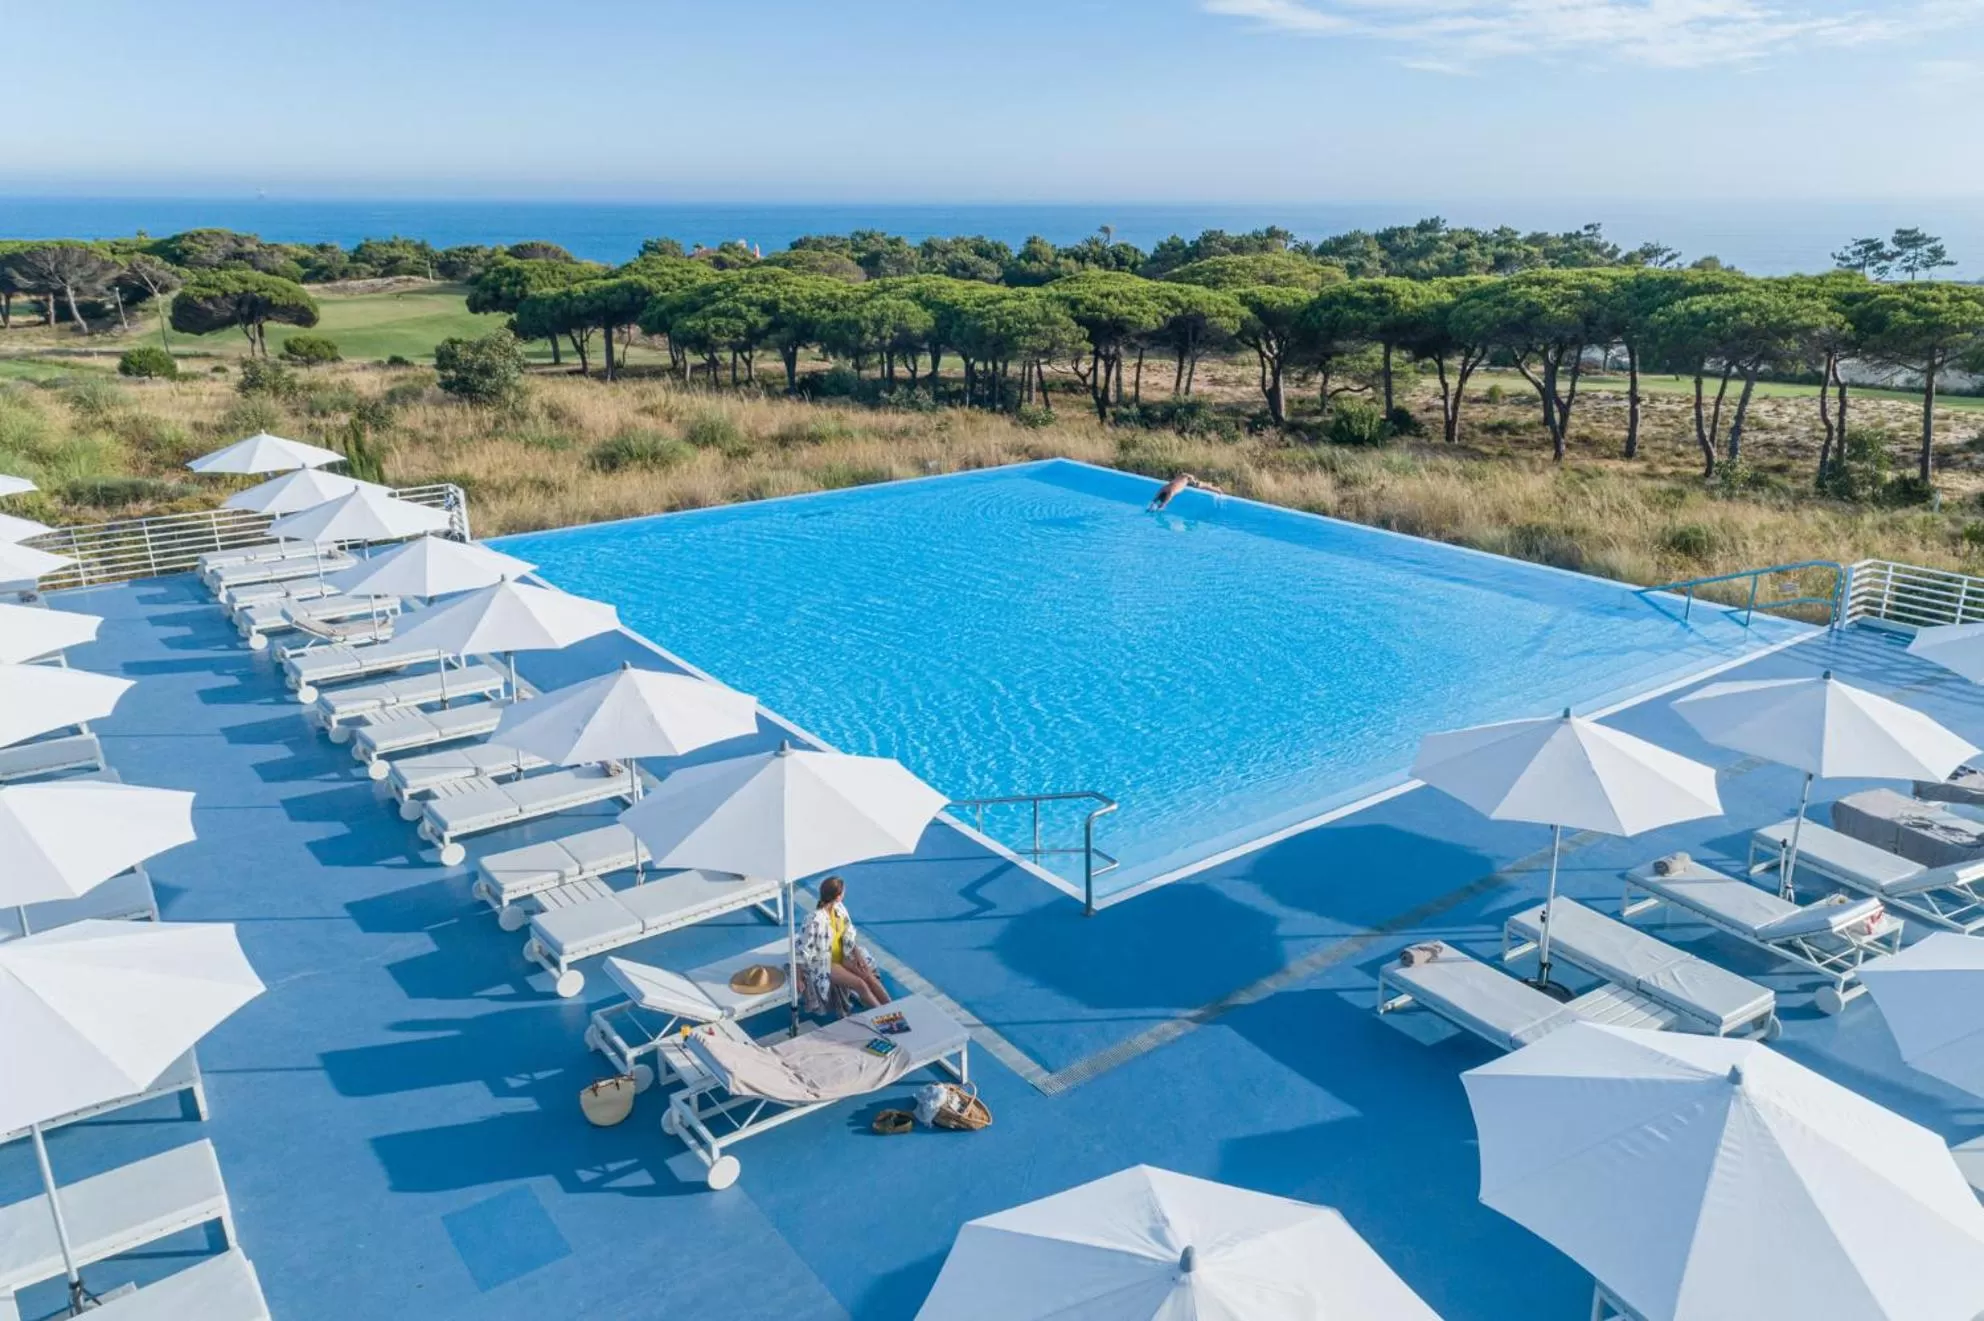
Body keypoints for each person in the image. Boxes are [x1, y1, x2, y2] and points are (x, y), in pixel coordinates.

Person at [796, 875, 890, 1015]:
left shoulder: (840, 909)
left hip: (843, 955)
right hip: (826, 962)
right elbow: (801, 950)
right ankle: (886, 1016)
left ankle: (895, 1007)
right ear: (838, 896)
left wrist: (857, 955)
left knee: (868, 976)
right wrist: (798, 977)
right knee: (860, 985)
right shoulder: (813, 920)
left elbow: (848, 934)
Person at [1147, 471, 1220, 512]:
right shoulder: (1164, 489)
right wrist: (1154, 505)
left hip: (1186, 478)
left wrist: (1156, 507)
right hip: (1184, 478)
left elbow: (1162, 504)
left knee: (1198, 484)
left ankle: (1215, 488)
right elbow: (1156, 500)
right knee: (1199, 484)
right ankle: (1211, 486)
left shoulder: (1169, 492)